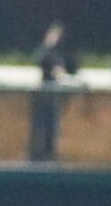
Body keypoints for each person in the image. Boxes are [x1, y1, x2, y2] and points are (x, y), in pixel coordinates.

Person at [29, 21, 79, 162]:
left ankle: (49, 154)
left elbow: (72, 69)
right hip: (43, 95)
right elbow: (39, 60)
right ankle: (37, 155)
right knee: (40, 126)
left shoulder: (61, 54)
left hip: (54, 97)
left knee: (52, 127)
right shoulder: (45, 52)